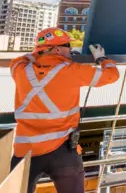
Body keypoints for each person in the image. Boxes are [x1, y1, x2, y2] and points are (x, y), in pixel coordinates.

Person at [10, 28, 119, 193]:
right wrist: (101, 58)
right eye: (68, 45)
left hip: (25, 151)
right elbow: (112, 75)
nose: (71, 50)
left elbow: (20, 59)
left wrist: (40, 52)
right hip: (62, 150)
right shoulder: (72, 71)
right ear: (58, 49)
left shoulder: (19, 69)